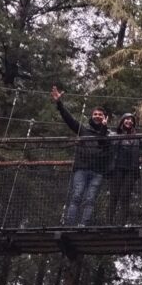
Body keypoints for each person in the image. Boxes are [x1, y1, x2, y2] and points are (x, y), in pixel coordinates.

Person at [51, 85, 110, 226]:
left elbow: (103, 144)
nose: (97, 116)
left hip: (97, 172)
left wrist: (104, 128)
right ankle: (70, 225)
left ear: (104, 118)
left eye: (100, 115)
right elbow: (69, 119)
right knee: (77, 196)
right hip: (81, 169)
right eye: (95, 114)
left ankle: (83, 225)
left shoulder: (108, 134)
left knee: (90, 199)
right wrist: (59, 103)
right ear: (91, 116)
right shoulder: (83, 130)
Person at [108, 112, 142, 225]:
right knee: (114, 195)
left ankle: (122, 224)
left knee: (125, 196)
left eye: (132, 120)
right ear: (122, 121)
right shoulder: (114, 134)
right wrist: (103, 127)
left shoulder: (137, 137)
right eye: (127, 119)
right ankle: (108, 223)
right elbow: (104, 139)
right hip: (117, 168)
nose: (130, 121)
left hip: (131, 170)